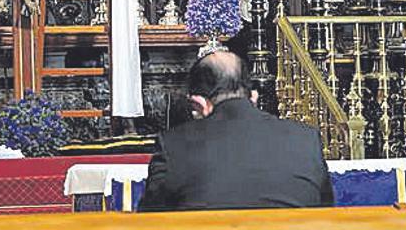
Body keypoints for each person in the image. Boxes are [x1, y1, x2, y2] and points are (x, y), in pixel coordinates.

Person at [138, 51, 334, 211]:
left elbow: (149, 220)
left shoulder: (173, 146)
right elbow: (326, 210)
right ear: (254, 97)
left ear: (199, 104)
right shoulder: (305, 139)